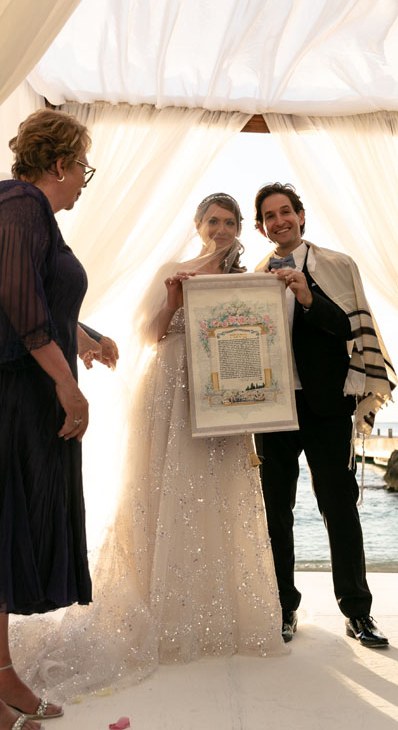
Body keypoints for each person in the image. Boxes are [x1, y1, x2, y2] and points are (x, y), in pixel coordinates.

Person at [11, 193, 284, 703]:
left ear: (240, 227)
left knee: (219, 492)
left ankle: (219, 612)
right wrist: (176, 301)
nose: (222, 229)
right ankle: (165, 609)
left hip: (226, 393)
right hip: (172, 390)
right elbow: (152, 335)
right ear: (199, 225)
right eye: (213, 221)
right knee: (170, 490)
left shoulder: (252, 276)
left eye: (230, 222)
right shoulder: (174, 270)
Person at [253, 183, 396, 646]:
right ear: (261, 227)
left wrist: (309, 297)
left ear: (300, 215)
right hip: (271, 409)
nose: (279, 221)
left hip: (327, 406)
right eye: (270, 216)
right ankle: (282, 607)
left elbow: (349, 332)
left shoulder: (337, 265)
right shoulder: (252, 276)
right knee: (275, 513)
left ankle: (358, 613)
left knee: (339, 508)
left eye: (286, 212)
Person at [0, 108, 97, 729]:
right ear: (60, 164)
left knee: (6, 542)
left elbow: (32, 293)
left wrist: (85, 335)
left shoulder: (28, 214)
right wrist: (69, 387)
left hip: (24, 391)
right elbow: (14, 297)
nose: (85, 179)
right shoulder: (21, 205)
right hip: (15, 398)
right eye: (84, 166)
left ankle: (4, 677)